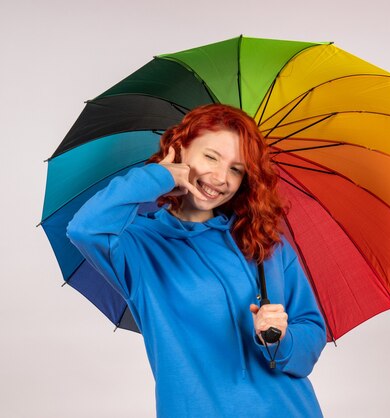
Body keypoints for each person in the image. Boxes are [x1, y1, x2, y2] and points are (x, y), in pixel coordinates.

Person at [66, 104, 326, 417]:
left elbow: (311, 332)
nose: (220, 177)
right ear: (180, 149)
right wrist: (158, 177)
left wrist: (281, 339)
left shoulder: (265, 243)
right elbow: (84, 228)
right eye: (211, 157)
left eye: (236, 169)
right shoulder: (138, 245)